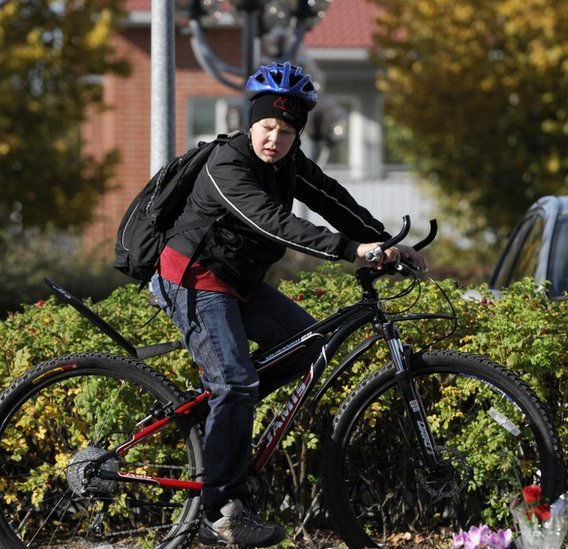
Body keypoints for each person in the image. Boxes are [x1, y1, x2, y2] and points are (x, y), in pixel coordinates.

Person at [149, 62, 426, 546]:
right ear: (251, 123)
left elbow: (334, 201)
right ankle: (219, 510)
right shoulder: (226, 165)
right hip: (192, 277)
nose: (274, 139)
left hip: (240, 282)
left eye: (286, 130)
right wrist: (349, 250)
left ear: (297, 134)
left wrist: (384, 245)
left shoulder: (291, 165)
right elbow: (272, 221)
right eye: (267, 127)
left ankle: (221, 410)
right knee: (236, 385)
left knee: (307, 347)